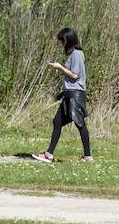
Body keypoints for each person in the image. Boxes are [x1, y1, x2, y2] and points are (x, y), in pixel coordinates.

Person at [32, 28, 91, 163]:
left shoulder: (76, 54)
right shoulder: (72, 54)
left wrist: (60, 68)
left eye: (62, 41)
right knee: (60, 122)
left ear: (68, 40)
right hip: (70, 94)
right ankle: (50, 154)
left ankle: (85, 156)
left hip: (75, 95)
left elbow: (75, 75)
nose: (61, 43)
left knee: (79, 123)